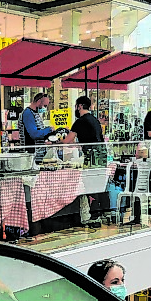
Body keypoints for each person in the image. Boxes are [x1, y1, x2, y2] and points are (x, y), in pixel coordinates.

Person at [59, 95, 104, 227]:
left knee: (89, 183)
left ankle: (93, 216)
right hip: (101, 154)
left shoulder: (79, 122)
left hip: (91, 156)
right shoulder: (95, 120)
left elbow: (67, 141)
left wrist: (54, 142)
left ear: (79, 106)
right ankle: (99, 213)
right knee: (98, 183)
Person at [18, 92, 54, 163]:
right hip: (30, 154)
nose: (44, 108)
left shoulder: (35, 113)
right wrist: (49, 130)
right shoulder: (28, 114)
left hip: (38, 154)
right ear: (38, 102)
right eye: (44, 105)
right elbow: (34, 134)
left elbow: (39, 130)